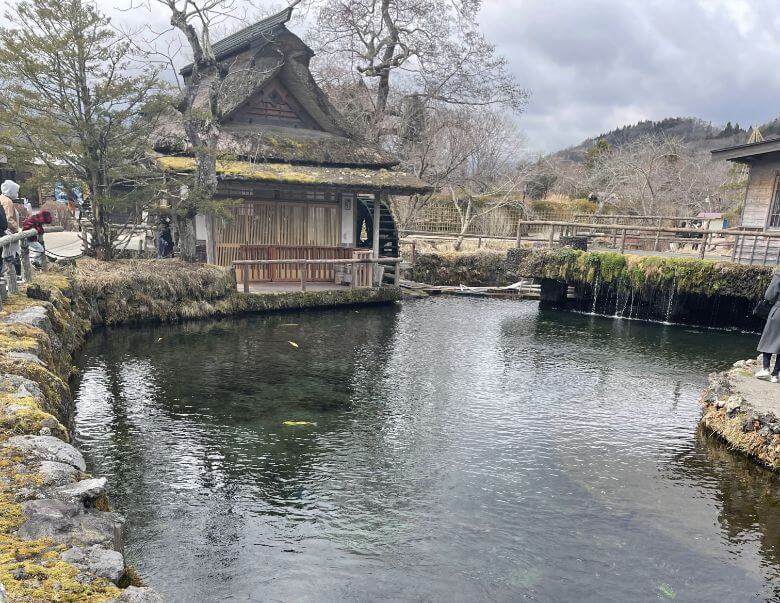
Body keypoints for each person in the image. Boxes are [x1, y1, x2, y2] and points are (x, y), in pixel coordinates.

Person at [756, 271, 780, 382]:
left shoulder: (779, 275)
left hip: (778, 312)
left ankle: (765, 369)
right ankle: (775, 375)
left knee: (769, 339)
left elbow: (769, 296)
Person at [0, 180, 21, 275]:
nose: (17, 194)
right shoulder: (8, 201)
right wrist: (17, 229)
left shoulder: (2, 198)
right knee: (10, 255)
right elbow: (9, 218)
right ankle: (14, 275)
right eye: (16, 191)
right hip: (9, 232)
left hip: (4, 231)